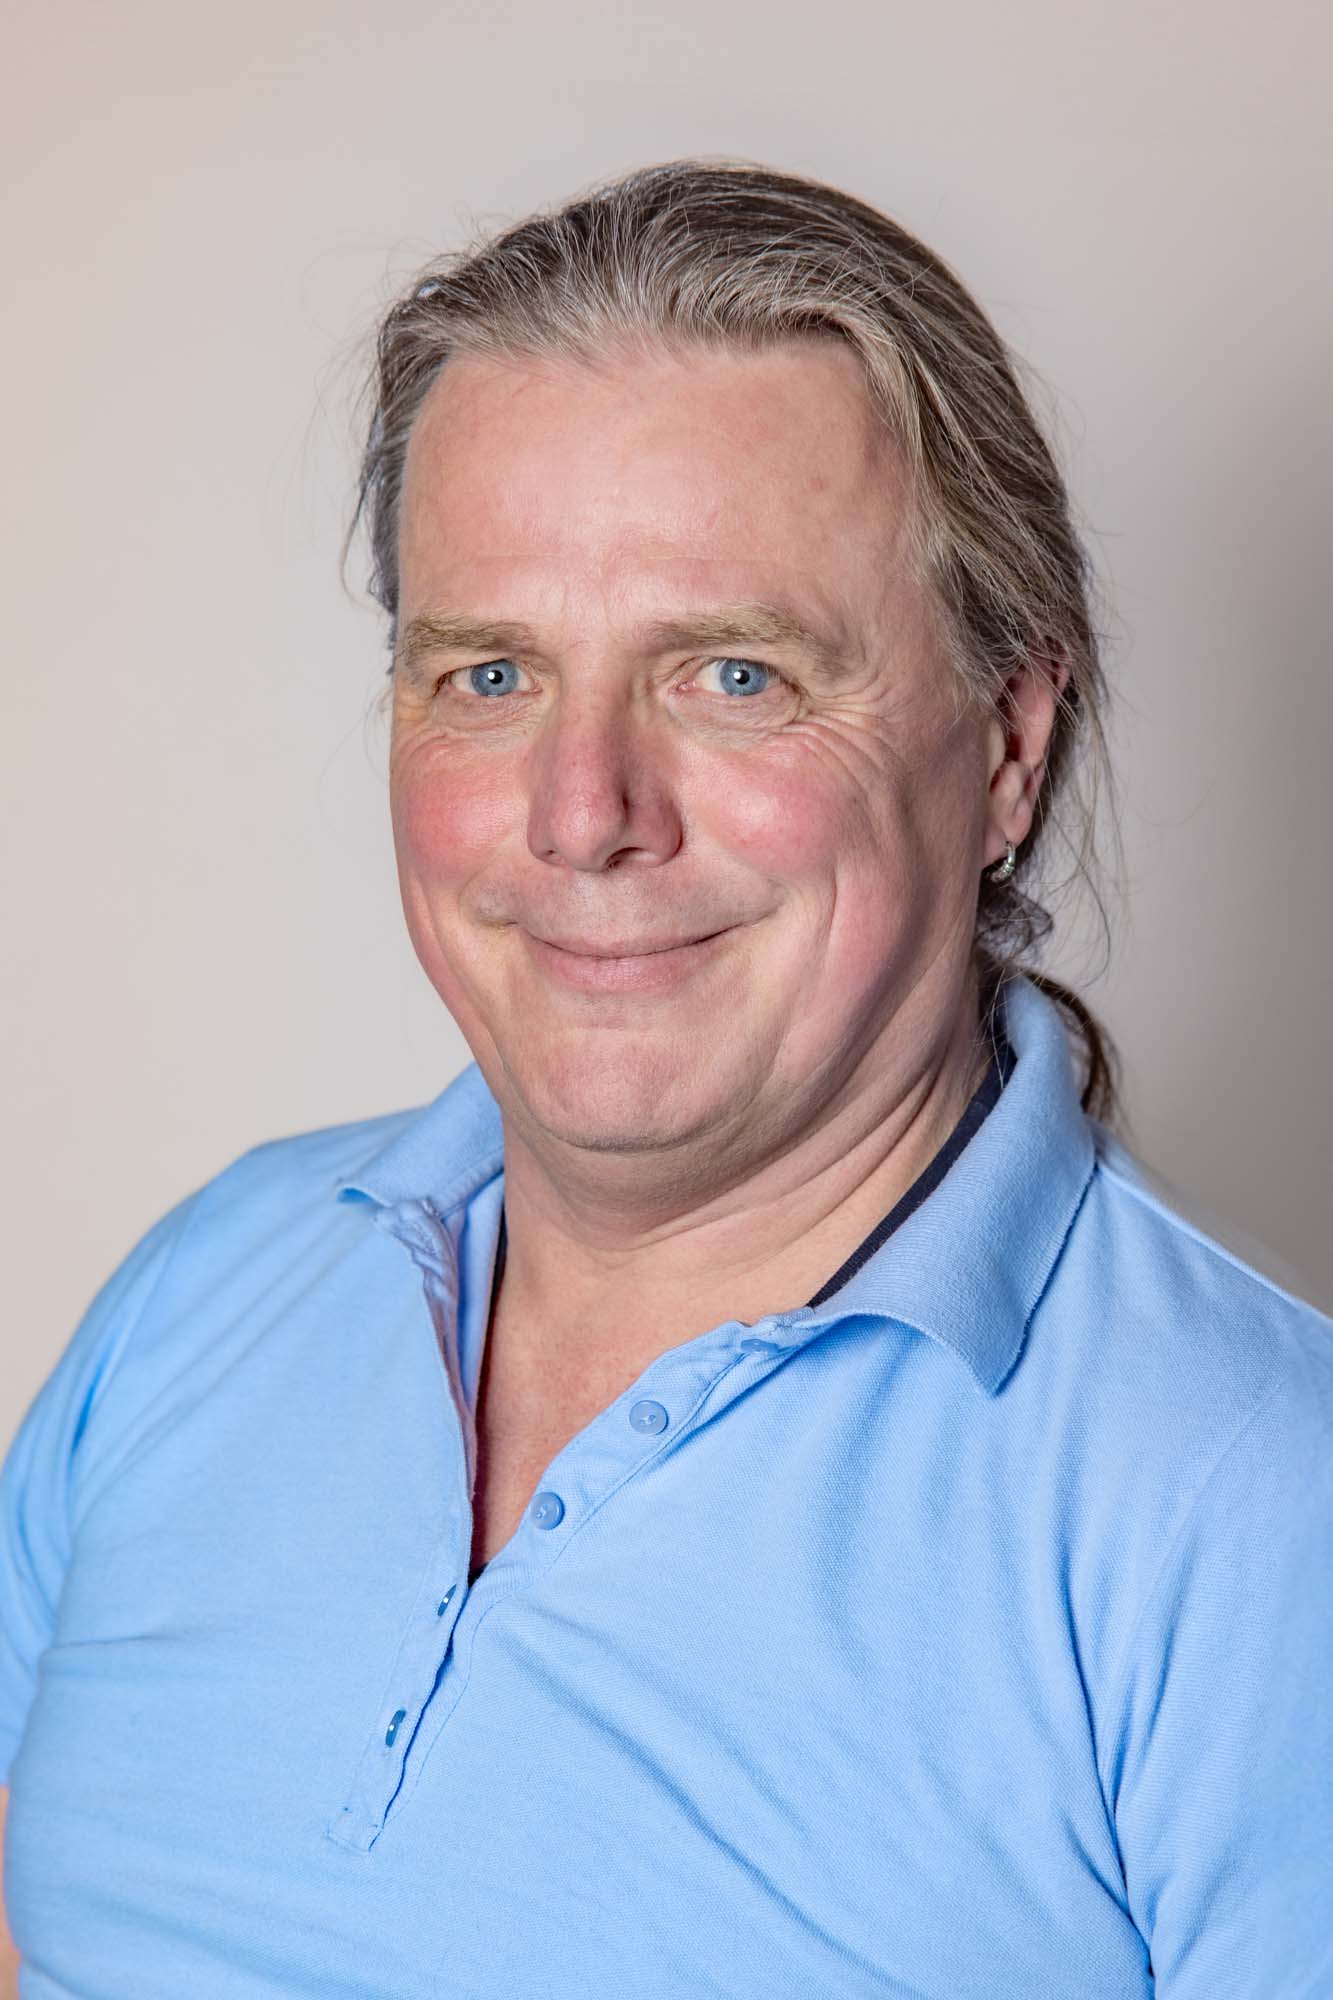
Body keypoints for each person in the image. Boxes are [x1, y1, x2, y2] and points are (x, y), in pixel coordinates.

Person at [1, 158, 1329, 1999]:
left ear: (1006, 746)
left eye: (732, 674)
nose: (582, 813)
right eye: (490, 676)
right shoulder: (204, 1291)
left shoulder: (1263, 1503)